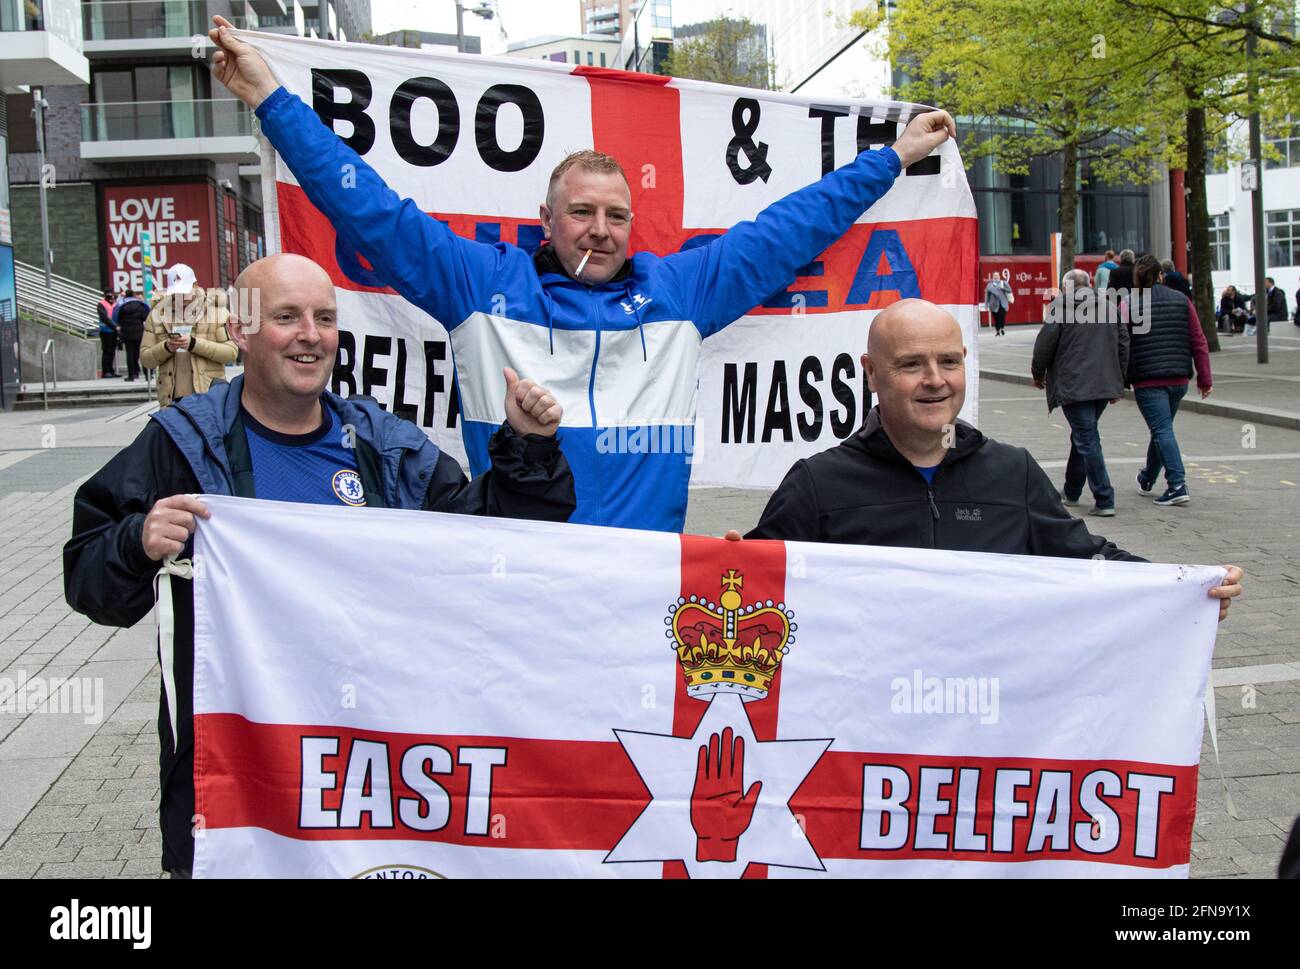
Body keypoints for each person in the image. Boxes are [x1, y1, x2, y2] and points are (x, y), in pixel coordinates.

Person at [207, 16, 956, 533]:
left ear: (634, 225)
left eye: (616, 216)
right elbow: (366, 208)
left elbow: (793, 227)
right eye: (582, 212)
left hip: (640, 583)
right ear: (546, 219)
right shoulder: (478, 286)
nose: (600, 229)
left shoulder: (681, 291)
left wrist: (893, 156)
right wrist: (271, 99)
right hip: (516, 574)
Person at [63, 253, 577, 877]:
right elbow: (89, 581)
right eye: (287, 317)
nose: (311, 335)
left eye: (324, 318)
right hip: (238, 784)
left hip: (372, 782)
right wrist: (135, 544)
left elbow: (482, 548)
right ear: (239, 332)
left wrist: (527, 448)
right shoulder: (182, 445)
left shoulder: (384, 449)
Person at [739, 299, 1242, 620]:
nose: (935, 379)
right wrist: (726, 568)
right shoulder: (818, 483)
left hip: (982, 754)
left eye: (949, 362)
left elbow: (1087, 559)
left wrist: (1183, 590)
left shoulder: (1012, 472)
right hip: (863, 748)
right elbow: (752, 594)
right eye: (911, 364)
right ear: (871, 374)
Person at [1031, 269, 1128, 516]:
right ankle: (1072, 490)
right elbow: (1123, 343)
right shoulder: (1109, 307)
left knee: (1087, 438)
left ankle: (1104, 498)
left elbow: (1045, 344)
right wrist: (1119, 381)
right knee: (1083, 436)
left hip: (1074, 384)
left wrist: (1037, 373)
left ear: (1067, 287)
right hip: (1103, 385)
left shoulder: (1060, 307)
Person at [1126, 254, 1212, 507]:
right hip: (1178, 379)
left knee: (1162, 430)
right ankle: (1147, 477)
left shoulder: (1128, 305)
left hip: (1148, 379)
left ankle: (1177, 483)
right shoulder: (1182, 300)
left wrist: (1118, 382)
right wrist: (1205, 377)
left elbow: (1121, 345)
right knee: (1162, 429)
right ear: (1161, 276)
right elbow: (1198, 340)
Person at [140, 263, 238, 407]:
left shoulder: (217, 312)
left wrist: (194, 344)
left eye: (185, 291)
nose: (181, 297)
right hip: (171, 402)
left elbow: (231, 353)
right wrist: (166, 347)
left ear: (196, 285)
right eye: (176, 292)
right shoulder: (157, 315)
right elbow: (146, 360)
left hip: (209, 399)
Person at [113, 289, 149, 381]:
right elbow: (146, 317)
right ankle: (147, 375)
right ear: (133, 295)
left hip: (127, 333)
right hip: (139, 332)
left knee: (130, 354)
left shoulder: (121, 306)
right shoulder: (140, 305)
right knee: (142, 354)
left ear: (126, 296)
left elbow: (116, 318)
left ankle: (131, 375)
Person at [95, 290, 118, 378]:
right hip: (106, 330)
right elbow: (104, 317)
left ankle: (111, 370)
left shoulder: (115, 303)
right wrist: (114, 326)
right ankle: (106, 371)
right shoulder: (101, 304)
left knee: (112, 351)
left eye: (113, 296)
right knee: (107, 351)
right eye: (110, 295)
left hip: (114, 331)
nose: (112, 297)